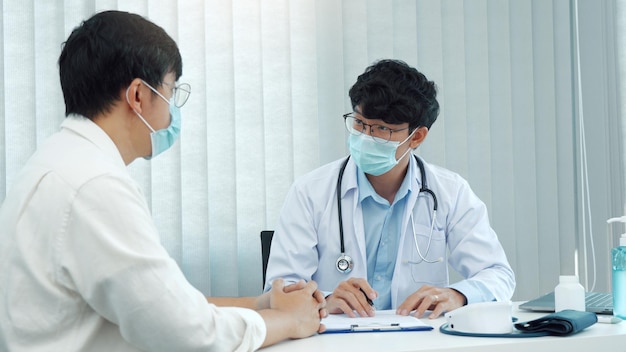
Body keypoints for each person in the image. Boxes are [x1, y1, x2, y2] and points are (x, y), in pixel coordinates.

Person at [0, 10, 325, 352]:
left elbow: (161, 304)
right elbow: (191, 335)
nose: (173, 110)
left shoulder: (59, 161)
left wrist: (261, 304)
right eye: (171, 91)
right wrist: (292, 321)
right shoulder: (94, 185)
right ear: (138, 95)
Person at [264, 59, 515, 320]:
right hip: (335, 340)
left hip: (419, 341)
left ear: (416, 137)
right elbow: (278, 291)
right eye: (360, 123)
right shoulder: (310, 192)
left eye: (382, 129)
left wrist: (458, 295)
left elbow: (498, 274)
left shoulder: (451, 192)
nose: (366, 136)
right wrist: (327, 299)